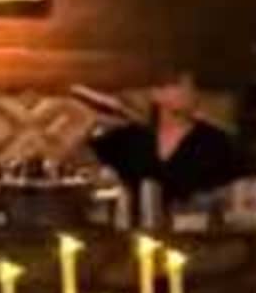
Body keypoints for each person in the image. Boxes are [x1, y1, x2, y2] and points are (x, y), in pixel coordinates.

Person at [90, 71, 241, 215]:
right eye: (180, 85)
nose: (189, 91)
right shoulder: (130, 138)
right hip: (133, 233)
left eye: (191, 86)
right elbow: (87, 161)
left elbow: (235, 191)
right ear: (155, 93)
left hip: (195, 233)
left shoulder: (216, 142)